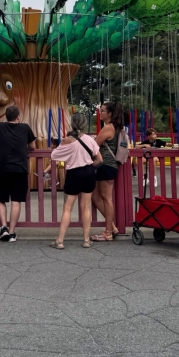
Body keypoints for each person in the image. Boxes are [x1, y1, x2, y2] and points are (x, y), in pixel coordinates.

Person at [50, 113, 102, 249]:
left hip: (74, 173)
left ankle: (60, 241)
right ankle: (86, 240)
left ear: (71, 123)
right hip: (89, 172)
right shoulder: (90, 140)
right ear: (84, 124)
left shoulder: (67, 140)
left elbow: (54, 155)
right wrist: (90, 167)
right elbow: (99, 159)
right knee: (86, 207)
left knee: (68, 208)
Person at [0, 105, 36, 242]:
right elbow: (33, 147)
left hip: (3, 167)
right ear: (18, 117)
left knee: (0, 198)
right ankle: (12, 231)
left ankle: (3, 226)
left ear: (5, 116)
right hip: (20, 168)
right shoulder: (25, 127)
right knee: (16, 201)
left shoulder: (0, 127)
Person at [90, 101, 125, 241]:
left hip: (105, 165)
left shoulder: (108, 128)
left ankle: (108, 232)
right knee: (96, 197)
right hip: (107, 166)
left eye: (103, 110)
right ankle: (113, 227)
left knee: (106, 198)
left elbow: (94, 146)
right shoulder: (115, 128)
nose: (100, 113)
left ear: (109, 113)